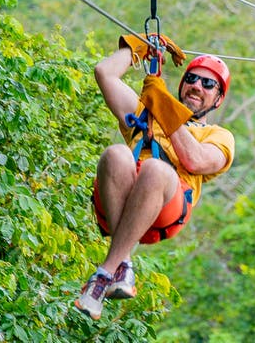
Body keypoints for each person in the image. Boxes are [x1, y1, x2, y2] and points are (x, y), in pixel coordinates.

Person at [74, 34, 236, 320]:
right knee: (115, 153)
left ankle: (105, 273)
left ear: (218, 99)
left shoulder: (219, 137)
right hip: (119, 202)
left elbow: (195, 160)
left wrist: (163, 105)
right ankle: (121, 265)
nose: (197, 86)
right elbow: (104, 73)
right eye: (192, 79)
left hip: (167, 208)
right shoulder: (146, 112)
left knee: (156, 169)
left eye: (208, 84)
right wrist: (140, 46)